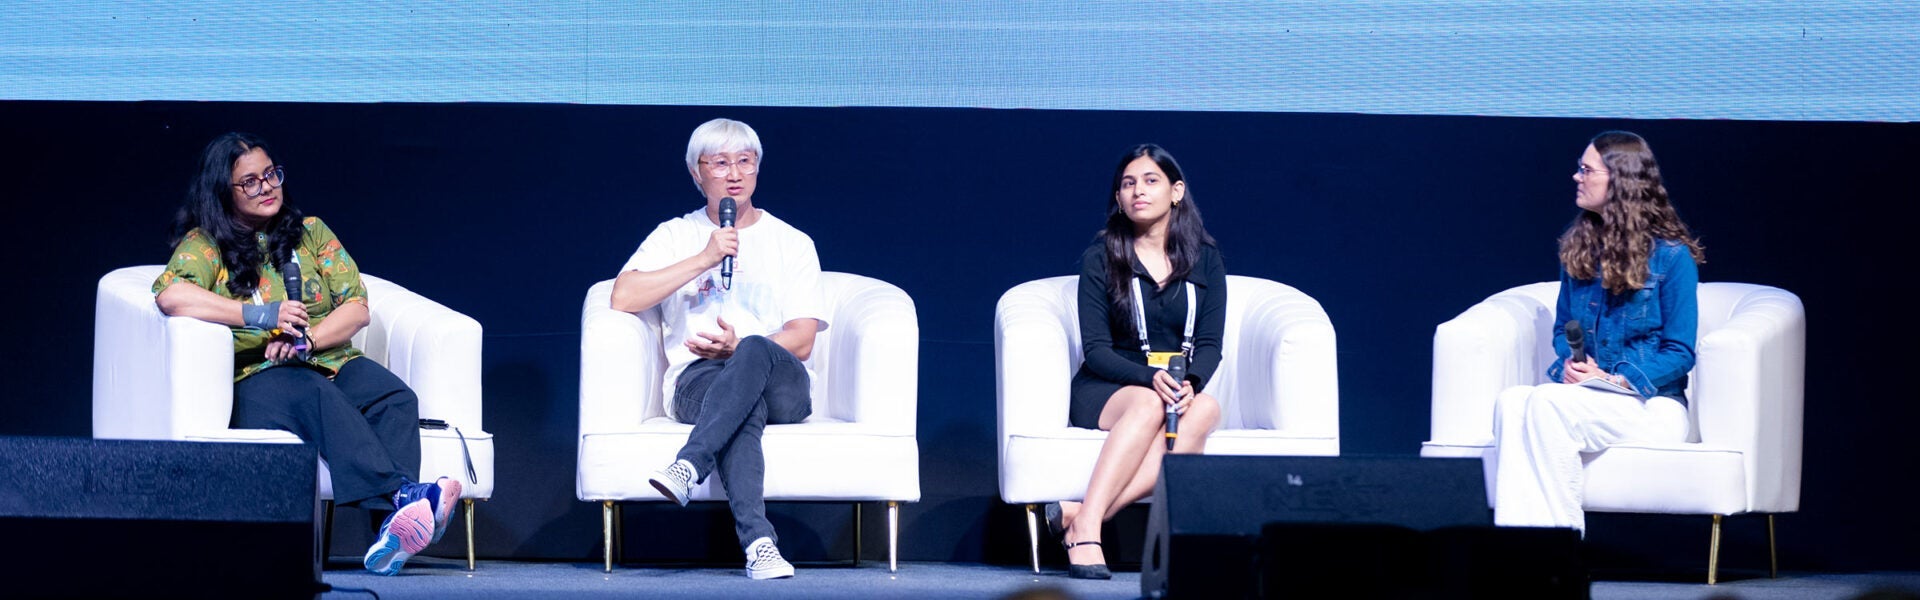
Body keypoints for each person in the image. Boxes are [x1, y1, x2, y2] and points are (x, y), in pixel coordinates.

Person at [153, 132, 461, 575]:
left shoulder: (310, 232)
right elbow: (172, 294)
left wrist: (308, 340)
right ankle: (405, 496)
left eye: (271, 174)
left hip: (324, 358)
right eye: (250, 181)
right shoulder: (205, 244)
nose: (267, 187)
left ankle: (391, 534)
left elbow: (356, 307)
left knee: (395, 398)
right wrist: (260, 315)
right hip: (259, 374)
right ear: (223, 191)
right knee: (316, 394)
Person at [609, 118, 827, 580]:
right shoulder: (675, 235)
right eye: (721, 163)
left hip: (782, 383)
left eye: (745, 162)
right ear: (697, 173)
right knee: (742, 408)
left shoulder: (792, 243)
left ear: (758, 169)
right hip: (698, 380)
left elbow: (803, 338)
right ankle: (761, 546)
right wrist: (705, 258)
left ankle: (689, 464)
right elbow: (623, 296)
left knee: (752, 350)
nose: (734, 174)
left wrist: (739, 348)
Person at [1491, 130, 1705, 532]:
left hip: (1651, 404)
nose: (1577, 177)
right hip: (1591, 399)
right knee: (1513, 402)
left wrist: (1614, 379)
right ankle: (1522, 547)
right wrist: (1573, 363)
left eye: (1586, 170)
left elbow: (1680, 353)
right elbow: (1563, 329)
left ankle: (1558, 550)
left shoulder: (1672, 258)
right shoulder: (1579, 249)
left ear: (1619, 180)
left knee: (1546, 404)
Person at [1049, 144, 1226, 579]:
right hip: (1106, 386)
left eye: (1150, 181)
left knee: (1206, 408)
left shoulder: (1205, 258)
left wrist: (1191, 381)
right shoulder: (1101, 257)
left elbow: (1209, 344)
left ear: (1176, 191)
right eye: (1128, 184)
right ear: (1118, 197)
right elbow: (1096, 350)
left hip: (1172, 384)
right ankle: (1089, 532)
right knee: (1148, 403)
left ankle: (1083, 515)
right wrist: (1151, 378)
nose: (1138, 191)